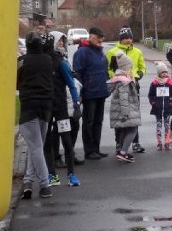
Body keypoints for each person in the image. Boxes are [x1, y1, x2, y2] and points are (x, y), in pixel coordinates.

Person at [17, 32, 55, 199]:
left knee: (35, 147)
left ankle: (45, 185)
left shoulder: (22, 61)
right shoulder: (48, 60)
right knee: (37, 146)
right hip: (46, 106)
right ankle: (27, 182)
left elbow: (15, 81)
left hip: (29, 107)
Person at [43, 32, 81, 187]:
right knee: (48, 142)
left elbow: (71, 84)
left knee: (66, 140)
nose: (62, 45)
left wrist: (76, 103)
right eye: (59, 42)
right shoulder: (44, 61)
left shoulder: (61, 62)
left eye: (63, 42)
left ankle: (71, 174)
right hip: (46, 107)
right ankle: (52, 174)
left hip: (60, 107)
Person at [106, 26, 147, 153]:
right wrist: (117, 77)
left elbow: (142, 67)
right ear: (121, 39)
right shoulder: (112, 52)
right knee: (120, 115)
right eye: (126, 38)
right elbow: (108, 69)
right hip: (120, 85)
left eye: (130, 38)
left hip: (134, 85)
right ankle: (119, 143)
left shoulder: (137, 51)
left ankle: (135, 142)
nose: (129, 40)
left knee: (134, 115)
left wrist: (139, 74)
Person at [73, 26, 110, 160]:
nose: (101, 41)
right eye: (99, 38)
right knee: (89, 122)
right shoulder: (82, 52)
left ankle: (96, 148)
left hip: (101, 91)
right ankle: (89, 151)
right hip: (89, 93)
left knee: (98, 122)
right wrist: (80, 93)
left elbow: (104, 70)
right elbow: (77, 73)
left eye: (102, 39)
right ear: (91, 37)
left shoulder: (100, 51)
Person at [108, 51, 142, 163]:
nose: (131, 70)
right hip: (126, 110)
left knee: (124, 130)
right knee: (132, 130)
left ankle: (121, 150)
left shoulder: (120, 78)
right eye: (130, 68)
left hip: (123, 110)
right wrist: (125, 113)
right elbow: (123, 98)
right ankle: (123, 152)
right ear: (126, 68)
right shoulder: (124, 81)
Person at [148, 61, 172, 150]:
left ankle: (167, 142)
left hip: (167, 108)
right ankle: (159, 143)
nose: (164, 74)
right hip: (158, 108)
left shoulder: (170, 83)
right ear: (159, 73)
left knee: (167, 125)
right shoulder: (154, 83)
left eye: (165, 72)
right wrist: (153, 103)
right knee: (159, 126)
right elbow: (150, 95)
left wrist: (171, 103)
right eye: (162, 72)